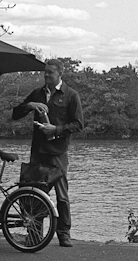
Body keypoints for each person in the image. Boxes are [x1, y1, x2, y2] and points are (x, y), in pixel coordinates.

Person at [12, 59, 84, 247]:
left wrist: (56, 129)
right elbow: (15, 113)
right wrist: (30, 105)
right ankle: (35, 236)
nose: (46, 76)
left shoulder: (71, 95)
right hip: (38, 152)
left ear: (60, 74)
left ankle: (64, 234)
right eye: (45, 72)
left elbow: (78, 124)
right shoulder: (37, 93)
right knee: (35, 195)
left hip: (57, 153)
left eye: (50, 73)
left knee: (62, 196)